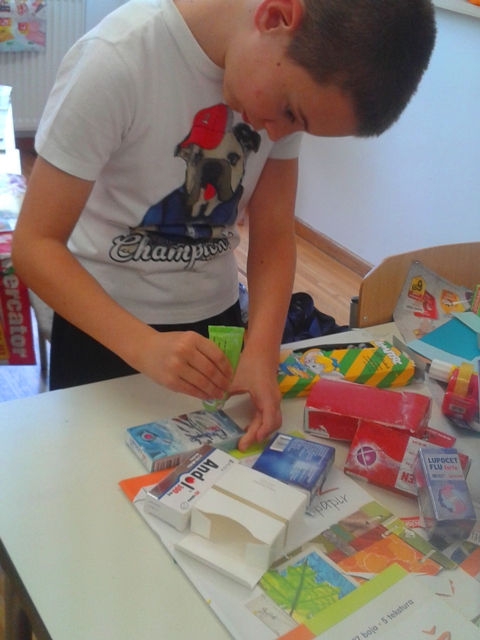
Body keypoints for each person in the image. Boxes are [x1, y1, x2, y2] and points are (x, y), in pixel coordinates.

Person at [11, 0, 436, 451]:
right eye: (290, 112)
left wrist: (262, 349)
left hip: (218, 324)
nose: (278, 133)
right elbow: (34, 245)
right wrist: (143, 345)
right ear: (274, 18)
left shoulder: (280, 84)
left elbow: (274, 234)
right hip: (104, 331)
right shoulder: (116, 59)